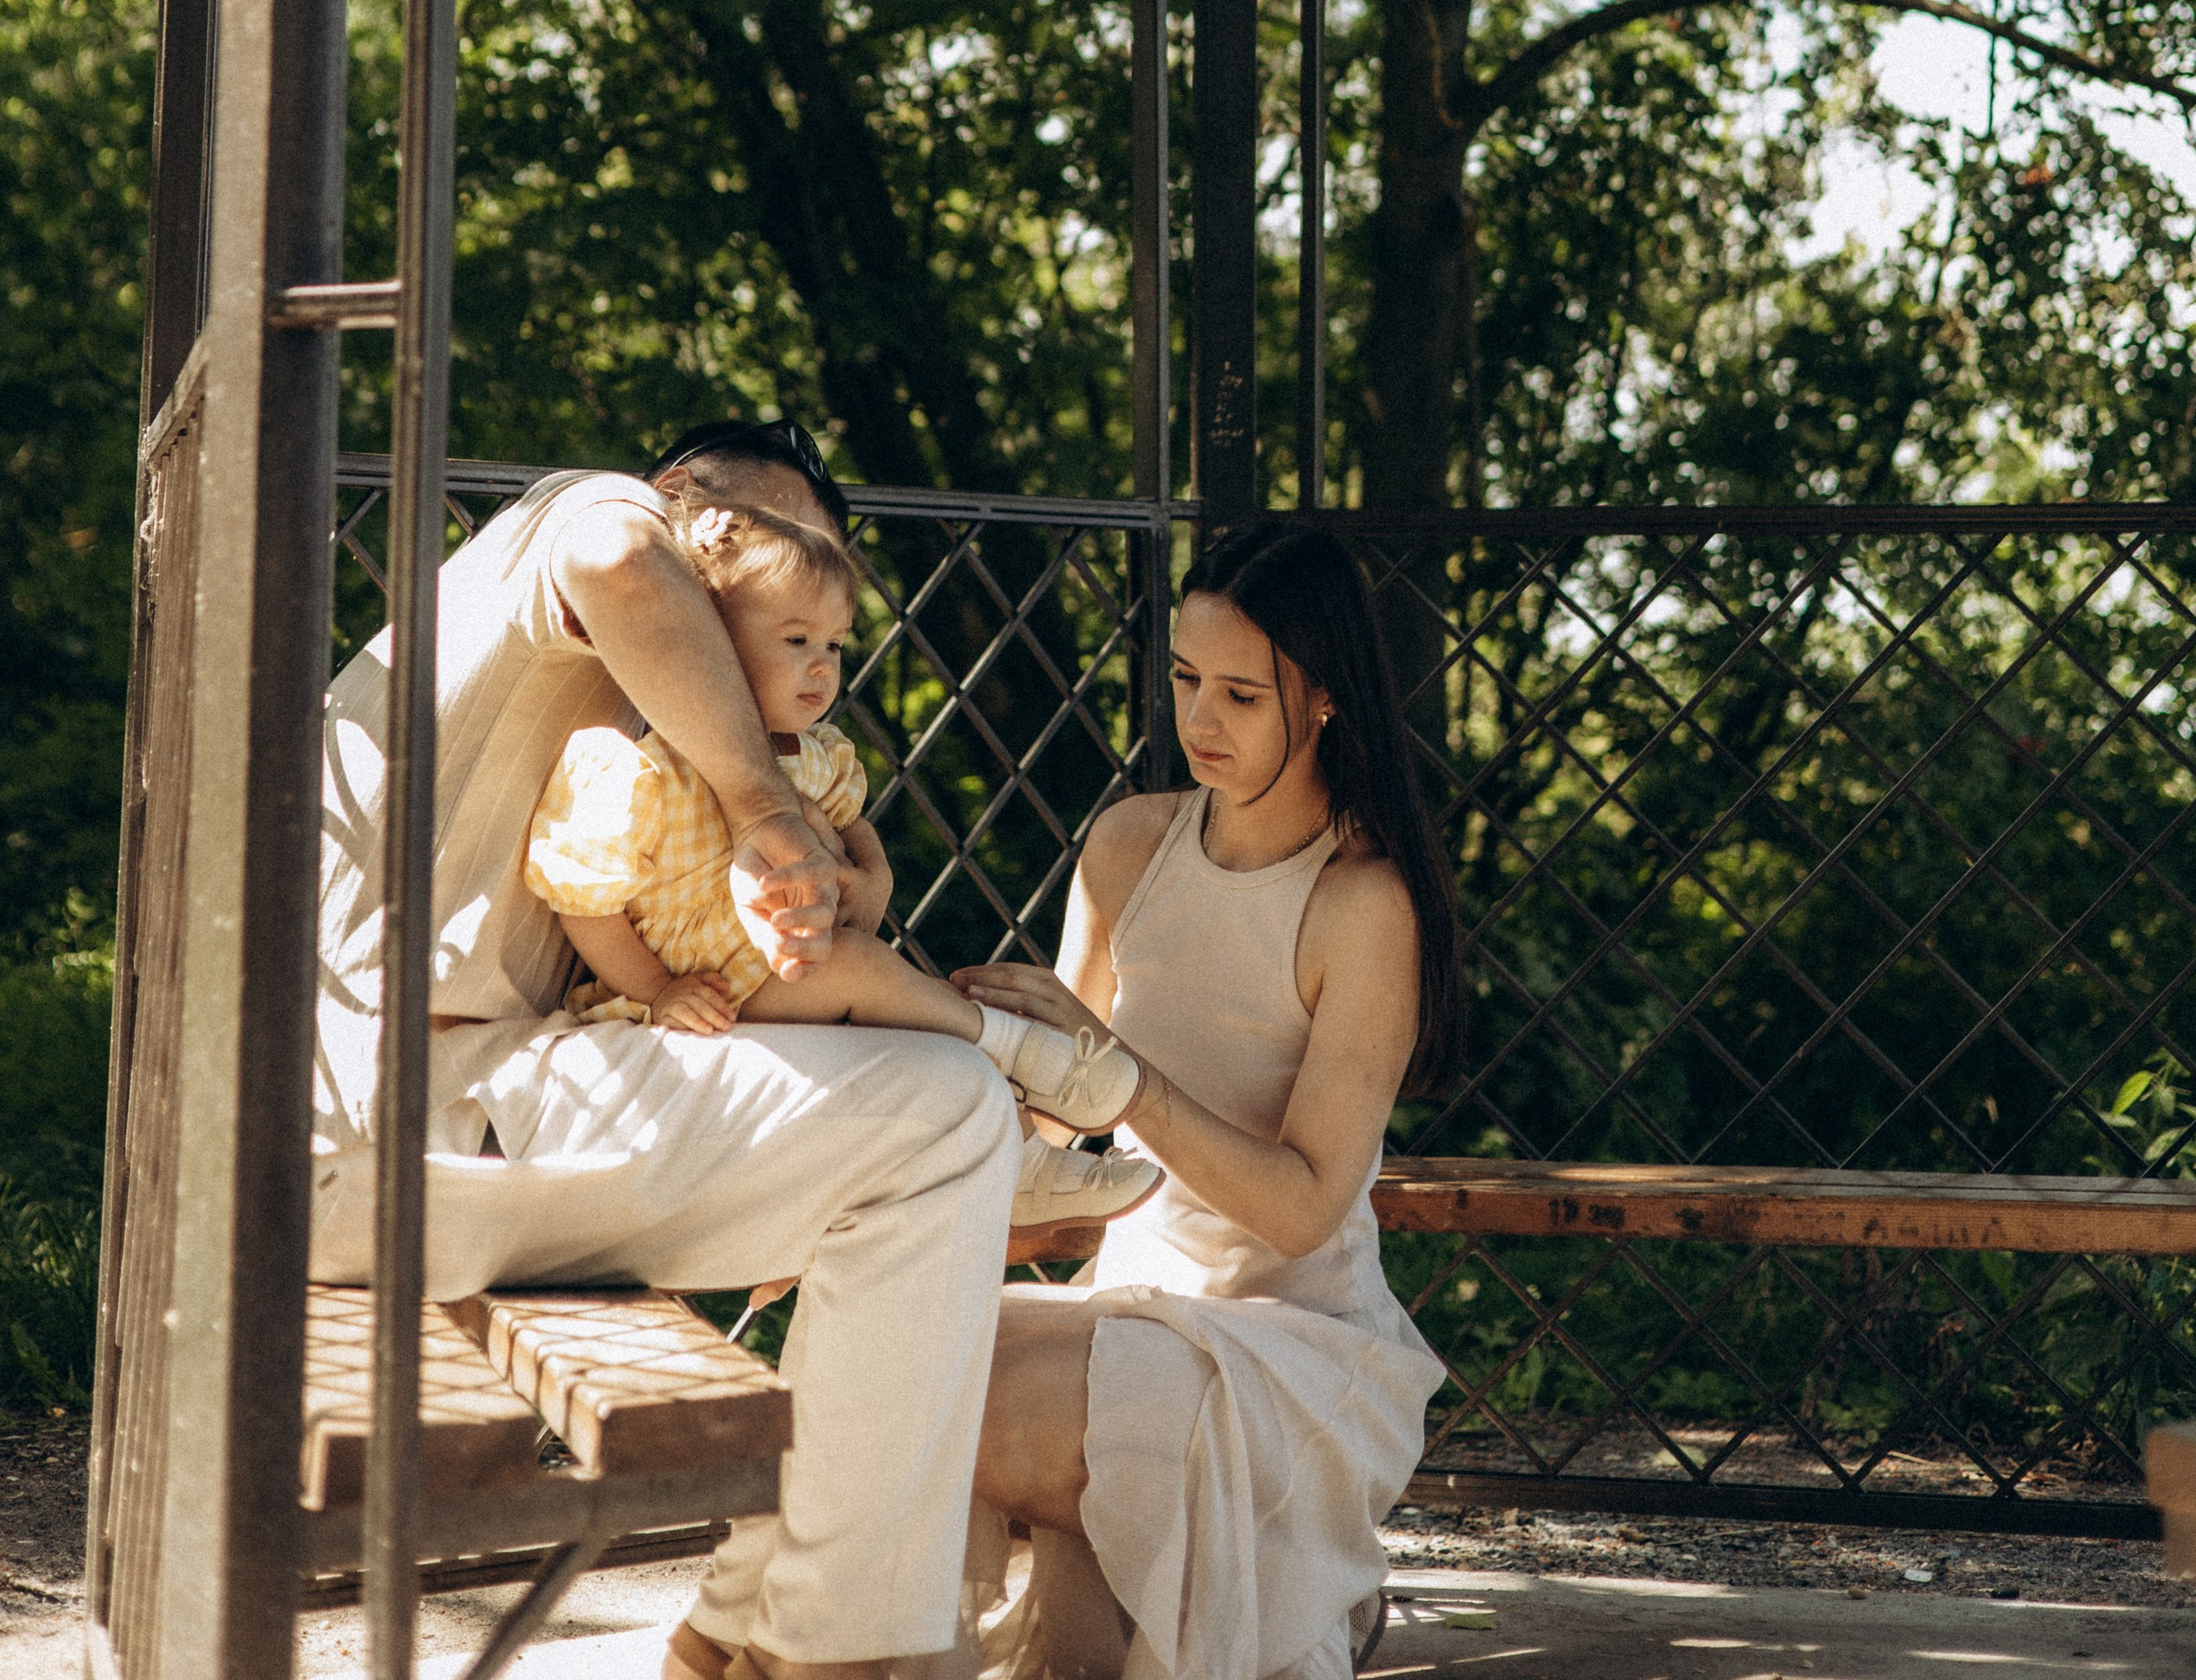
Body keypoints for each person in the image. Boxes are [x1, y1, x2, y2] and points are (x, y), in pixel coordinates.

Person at [313, 413, 1023, 1680]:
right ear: (683, 493)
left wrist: (835, 884)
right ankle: (828, 1645)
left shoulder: (649, 722)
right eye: (766, 533)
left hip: (429, 1124)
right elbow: (618, 562)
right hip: (388, 1115)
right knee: (950, 1116)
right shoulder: (586, 515)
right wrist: (762, 806)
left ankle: (758, 1626)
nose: (766, 577)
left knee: (925, 1132)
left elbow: (696, 957)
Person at [953, 521, 1462, 1680]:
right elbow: (1044, 1124)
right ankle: (1263, 1599)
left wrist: (1119, 1074)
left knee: (1028, 1408)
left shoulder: (1362, 901)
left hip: (1294, 1347)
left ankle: (1297, 1576)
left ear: (1325, 698)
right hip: (1126, 1310)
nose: (1200, 720)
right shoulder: (1131, 843)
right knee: (896, 1352)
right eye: (1186, 680)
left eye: (1241, 693)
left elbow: (1301, 1211)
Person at [523, 490, 1159, 1226]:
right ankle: (1026, 1053)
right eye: (795, 642)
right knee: (859, 970)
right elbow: (583, 903)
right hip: (691, 994)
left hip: (774, 971)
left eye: (834, 645)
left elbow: (851, 821)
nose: (822, 668)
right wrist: (659, 988)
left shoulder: (813, 756)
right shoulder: (640, 769)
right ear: (713, 646)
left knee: (899, 1023)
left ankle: (1027, 1162)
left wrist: (873, 871)